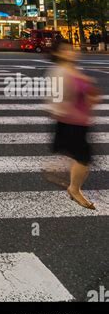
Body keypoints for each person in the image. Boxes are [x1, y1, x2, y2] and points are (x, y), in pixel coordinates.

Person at [45, 40, 101, 209]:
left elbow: (88, 93)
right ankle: (74, 189)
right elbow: (55, 99)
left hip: (81, 121)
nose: (71, 52)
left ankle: (60, 171)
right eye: (65, 50)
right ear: (57, 53)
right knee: (84, 158)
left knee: (81, 156)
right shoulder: (58, 72)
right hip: (69, 122)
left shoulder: (75, 69)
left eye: (72, 49)